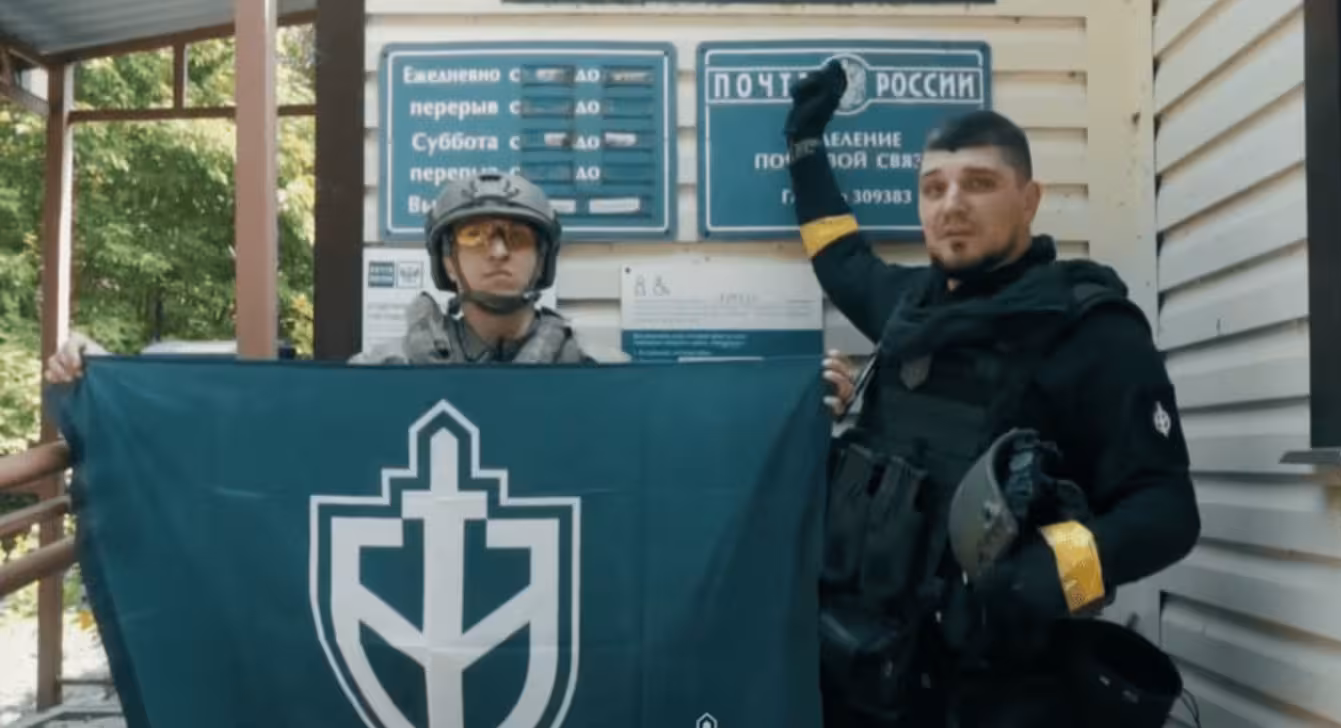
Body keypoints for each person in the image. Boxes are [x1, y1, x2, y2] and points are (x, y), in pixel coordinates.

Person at [785, 61, 1201, 727]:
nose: (952, 204)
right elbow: (840, 257)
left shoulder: (1090, 332)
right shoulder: (906, 310)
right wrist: (805, 143)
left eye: (979, 184)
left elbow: (1167, 511)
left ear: (1029, 200)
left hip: (1001, 690)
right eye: (933, 187)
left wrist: (1052, 572)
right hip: (872, 671)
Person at [44, 170, 858, 417]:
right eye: (475, 236)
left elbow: (696, 443)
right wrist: (106, 383)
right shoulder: (381, 377)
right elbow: (255, 423)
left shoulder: (602, 383)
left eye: (516, 236)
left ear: (542, 258)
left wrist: (798, 408)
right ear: (447, 261)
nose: (497, 251)